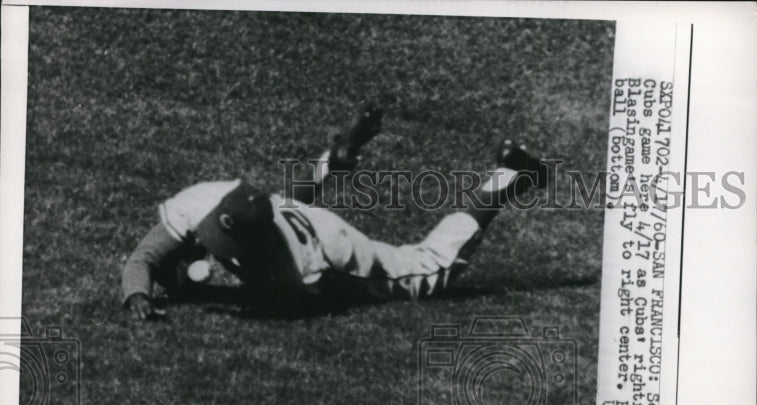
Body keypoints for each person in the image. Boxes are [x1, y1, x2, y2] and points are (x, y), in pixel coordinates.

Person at [123, 103, 548, 320]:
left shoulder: (295, 270)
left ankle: (508, 177)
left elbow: (291, 302)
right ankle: (337, 156)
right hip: (282, 213)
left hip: (332, 248)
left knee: (429, 268)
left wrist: (207, 283)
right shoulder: (206, 200)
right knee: (282, 199)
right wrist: (137, 294)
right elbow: (144, 257)